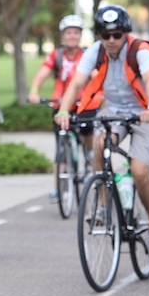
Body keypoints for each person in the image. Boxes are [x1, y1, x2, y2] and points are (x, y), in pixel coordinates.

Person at [55, 4, 149, 256]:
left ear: (125, 33)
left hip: (145, 114)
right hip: (115, 112)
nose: (111, 40)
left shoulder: (140, 50)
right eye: (105, 35)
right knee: (100, 144)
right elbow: (76, 83)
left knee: (140, 171)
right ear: (98, 36)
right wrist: (64, 111)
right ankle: (103, 206)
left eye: (117, 34)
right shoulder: (96, 52)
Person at [28, 14, 96, 202]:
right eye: (68, 33)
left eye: (75, 32)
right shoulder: (56, 55)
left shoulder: (87, 55)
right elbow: (41, 75)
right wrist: (34, 90)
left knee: (87, 132)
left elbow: (97, 77)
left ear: (80, 35)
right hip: (60, 104)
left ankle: (90, 151)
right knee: (61, 147)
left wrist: (99, 94)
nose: (72, 36)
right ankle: (58, 188)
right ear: (62, 35)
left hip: (84, 104)